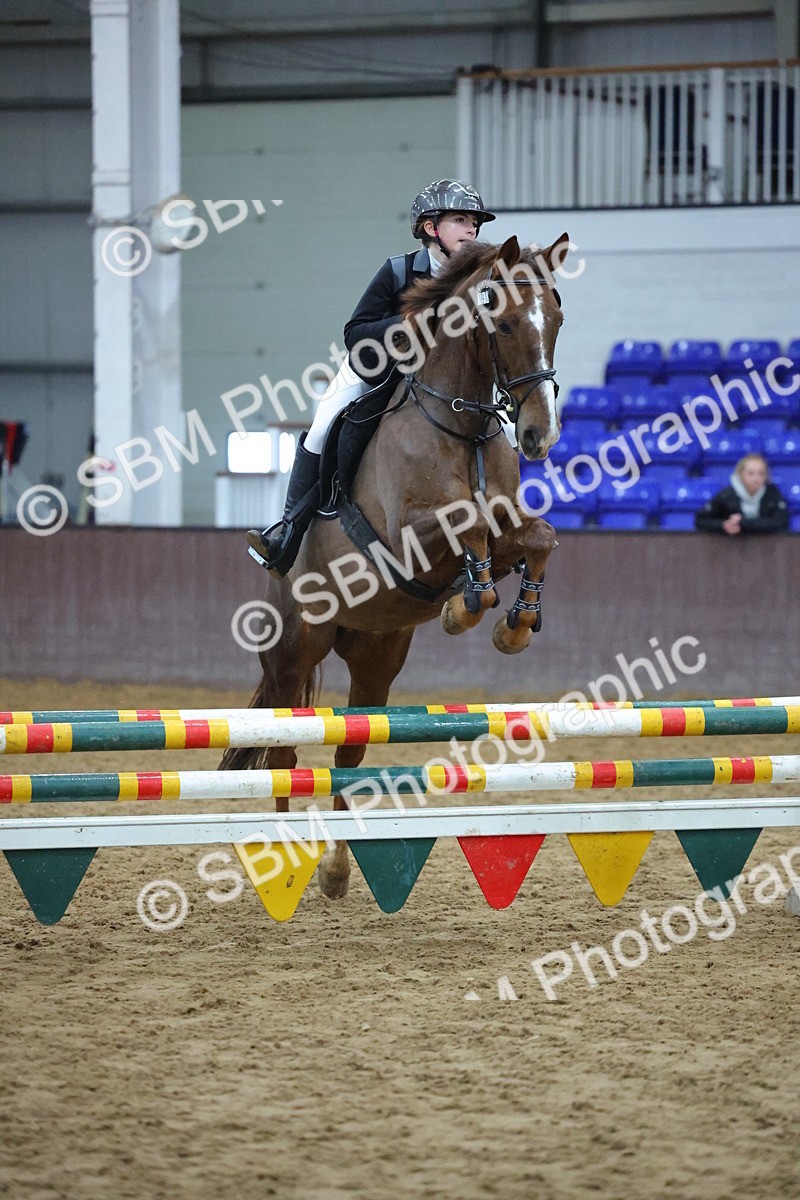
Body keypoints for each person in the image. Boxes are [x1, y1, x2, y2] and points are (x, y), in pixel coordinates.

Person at [246, 179, 496, 575]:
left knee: (509, 432)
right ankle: (287, 530)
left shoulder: (481, 279)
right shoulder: (397, 271)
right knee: (323, 423)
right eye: (461, 220)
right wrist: (410, 322)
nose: (472, 231)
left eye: (475, 225)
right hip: (382, 374)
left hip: (447, 388)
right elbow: (355, 333)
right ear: (431, 229)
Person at [694, 453, 789, 535]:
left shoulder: (772, 494)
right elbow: (701, 520)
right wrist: (723, 525)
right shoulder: (726, 495)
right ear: (740, 474)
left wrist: (743, 522)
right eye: (751, 473)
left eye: (761, 473)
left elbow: (781, 523)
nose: (756, 478)